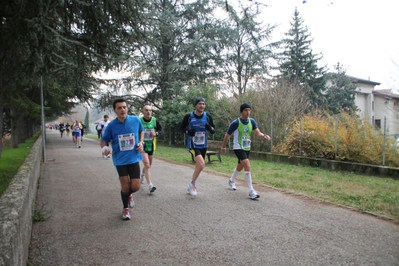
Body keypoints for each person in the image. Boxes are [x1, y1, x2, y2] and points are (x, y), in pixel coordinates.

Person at [101, 98, 145, 220]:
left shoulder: (135, 120)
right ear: (115, 110)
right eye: (119, 108)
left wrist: (141, 142)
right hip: (120, 160)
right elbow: (104, 140)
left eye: (124, 107)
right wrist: (104, 148)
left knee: (135, 186)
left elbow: (141, 131)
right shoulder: (111, 126)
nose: (122, 110)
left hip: (134, 158)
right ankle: (125, 209)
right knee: (125, 187)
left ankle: (129, 195)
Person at [221, 103, 271, 200]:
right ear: (241, 111)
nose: (248, 112)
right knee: (247, 165)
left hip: (247, 147)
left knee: (240, 166)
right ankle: (252, 191)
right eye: (245, 110)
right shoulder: (236, 123)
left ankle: (231, 180)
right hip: (238, 147)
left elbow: (258, 133)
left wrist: (264, 136)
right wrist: (223, 147)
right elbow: (227, 135)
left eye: (249, 110)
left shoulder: (252, 121)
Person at [180, 97, 215, 196]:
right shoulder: (189, 116)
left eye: (203, 104)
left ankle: (191, 184)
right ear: (195, 105)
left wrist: (210, 128)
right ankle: (192, 184)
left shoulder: (207, 116)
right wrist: (188, 131)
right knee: (201, 164)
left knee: (199, 166)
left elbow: (213, 129)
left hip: (203, 144)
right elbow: (182, 128)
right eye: (200, 104)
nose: (202, 106)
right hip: (193, 144)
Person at [139, 105, 162, 193]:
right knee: (147, 165)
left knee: (148, 165)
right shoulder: (139, 121)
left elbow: (160, 130)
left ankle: (142, 174)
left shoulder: (154, 120)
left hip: (151, 145)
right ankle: (150, 185)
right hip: (143, 145)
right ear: (143, 111)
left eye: (150, 110)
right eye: (146, 110)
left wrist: (156, 133)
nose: (148, 112)